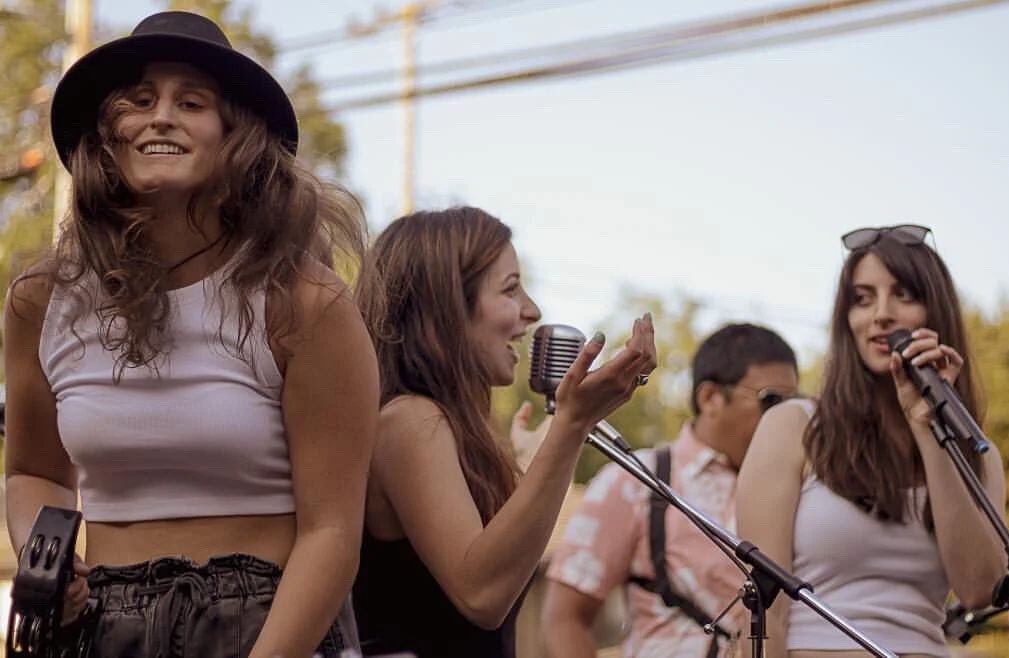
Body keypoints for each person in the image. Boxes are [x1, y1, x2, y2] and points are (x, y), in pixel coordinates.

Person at [3, 11, 378, 658]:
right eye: (139, 101)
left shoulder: (304, 302)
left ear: (237, 137)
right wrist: (49, 557)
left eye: (192, 102)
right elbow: (34, 473)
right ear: (106, 136)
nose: (160, 117)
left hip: (266, 622)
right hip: (101, 627)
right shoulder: (42, 300)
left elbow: (333, 533)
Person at [350, 206, 658, 658]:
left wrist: (529, 463)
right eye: (511, 289)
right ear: (448, 305)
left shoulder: (448, 429)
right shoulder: (409, 420)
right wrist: (571, 426)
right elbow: (483, 595)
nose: (531, 311)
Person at [736, 224, 1007, 658]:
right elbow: (766, 608)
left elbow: (980, 589)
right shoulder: (794, 426)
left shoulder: (977, 451)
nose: (881, 314)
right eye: (862, 299)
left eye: (903, 295)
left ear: (936, 313)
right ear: (847, 320)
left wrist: (928, 427)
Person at [541, 323, 800, 658]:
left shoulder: (805, 488)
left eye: (795, 404)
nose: (785, 417)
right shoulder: (637, 479)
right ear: (710, 398)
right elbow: (564, 619)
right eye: (772, 400)